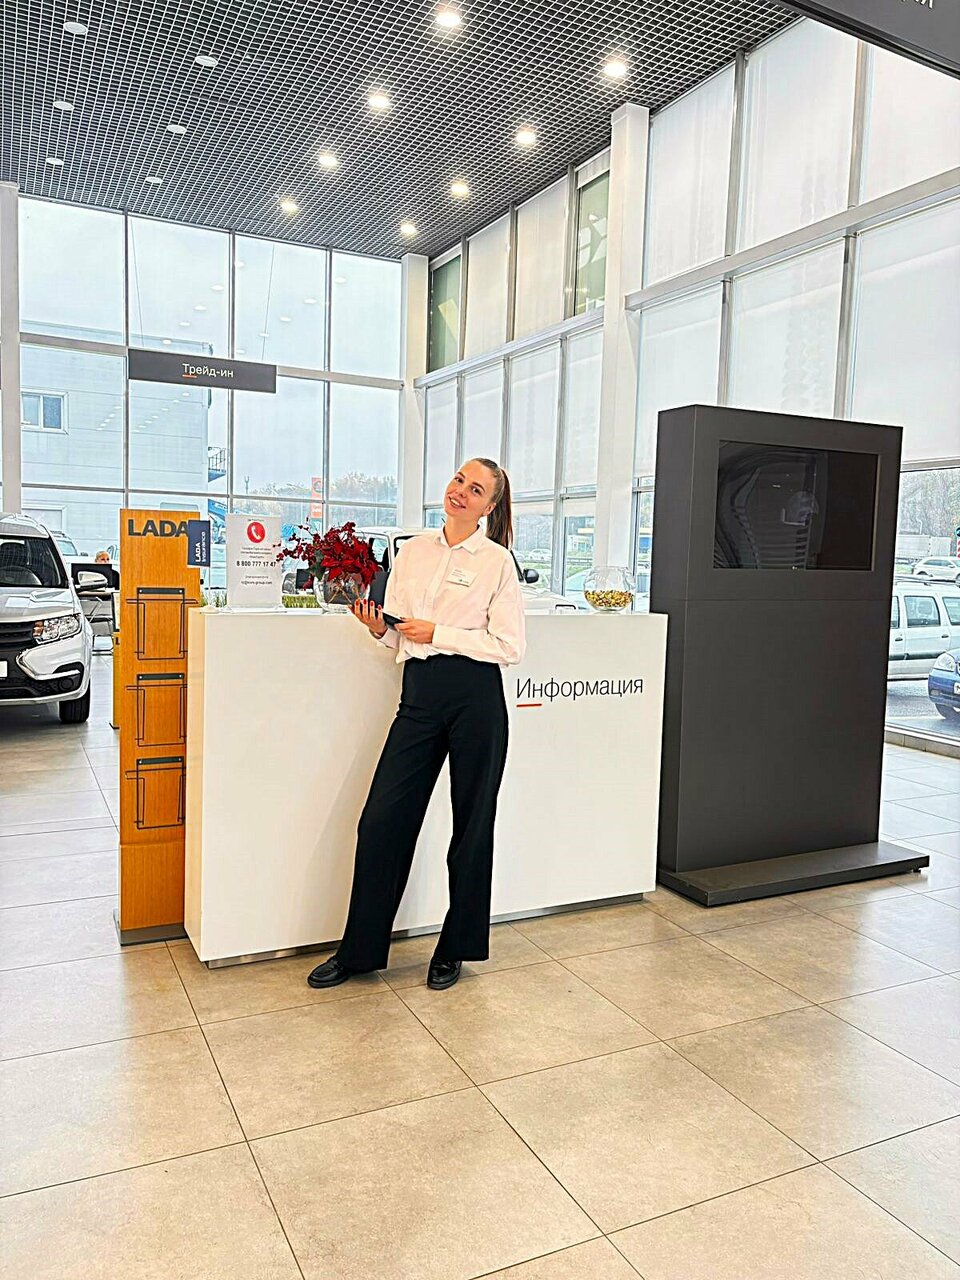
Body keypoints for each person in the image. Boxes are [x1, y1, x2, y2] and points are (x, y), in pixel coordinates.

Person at [307, 458, 526, 992]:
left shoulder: (497, 562)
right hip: (420, 695)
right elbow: (402, 634)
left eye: (476, 489)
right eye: (459, 480)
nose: (461, 492)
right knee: (382, 821)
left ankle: (456, 947)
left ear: (488, 507)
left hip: (475, 698)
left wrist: (440, 633)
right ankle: (359, 951)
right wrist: (379, 629)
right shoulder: (412, 552)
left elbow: (510, 646)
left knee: (472, 828)